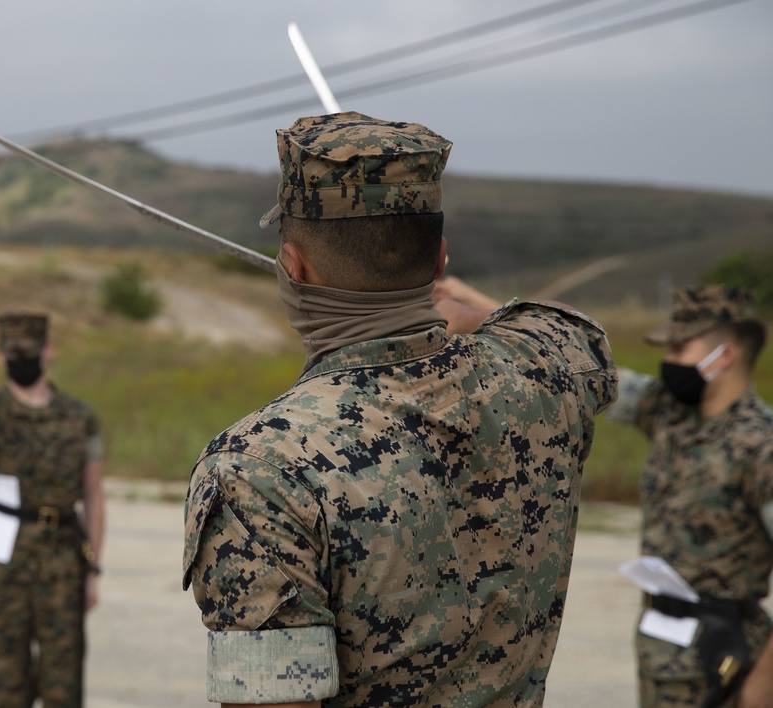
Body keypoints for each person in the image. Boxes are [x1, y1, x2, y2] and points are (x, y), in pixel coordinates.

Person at [181, 112, 618, 707]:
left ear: (292, 267)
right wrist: (468, 318)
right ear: (440, 261)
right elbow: (563, 324)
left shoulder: (259, 467)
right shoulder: (551, 372)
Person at [607, 285, 773, 707]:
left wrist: (758, 690)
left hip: (727, 658)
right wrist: (486, 313)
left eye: (679, 349)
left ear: (727, 356)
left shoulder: (761, 445)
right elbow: (582, 367)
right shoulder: (669, 413)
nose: (668, 363)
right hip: (664, 654)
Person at [0, 312, 105, 707]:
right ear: (0, 358)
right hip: (6, 564)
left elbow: (94, 496)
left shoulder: (79, 416)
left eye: (29, 351)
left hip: (63, 561)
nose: (20, 358)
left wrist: (93, 570)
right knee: (8, 681)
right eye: (11, 352)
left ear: (47, 352)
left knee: (63, 684)